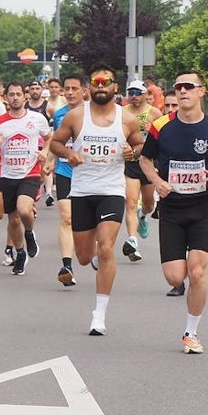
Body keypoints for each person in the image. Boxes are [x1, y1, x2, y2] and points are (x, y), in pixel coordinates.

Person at [49, 66, 143, 335]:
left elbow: (139, 144)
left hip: (112, 190)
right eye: (96, 82)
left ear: (116, 87)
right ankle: (91, 260)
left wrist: (131, 152)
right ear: (89, 88)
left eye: (107, 82)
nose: (101, 86)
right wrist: (68, 153)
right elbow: (56, 143)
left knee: (105, 250)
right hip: (82, 191)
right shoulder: (76, 116)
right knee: (83, 256)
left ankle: (99, 314)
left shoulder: (126, 119)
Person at [139, 71, 208, 352]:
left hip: (204, 207)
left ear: (201, 92)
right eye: (178, 87)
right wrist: (157, 181)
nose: (182, 91)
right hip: (172, 210)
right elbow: (145, 159)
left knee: (197, 272)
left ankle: (191, 333)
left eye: (188, 87)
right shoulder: (161, 126)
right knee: (175, 277)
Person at [0, 81, 51, 275]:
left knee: (24, 210)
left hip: (29, 172)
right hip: (7, 175)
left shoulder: (37, 118)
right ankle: (20, 253)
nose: (15, 97)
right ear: (6, 98)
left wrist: (45, 152)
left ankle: (30, 234)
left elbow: (49, 138)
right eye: (11, 94)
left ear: (25, 97)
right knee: (13, 221)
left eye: (18, 94)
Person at [50, 75, 87, 286]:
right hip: (65, 171)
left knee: (89, 222)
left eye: (75, 88)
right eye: (67, 89)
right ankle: (67, 266)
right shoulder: (59, 115)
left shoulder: (94, 114)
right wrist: (49, 160)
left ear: (84, 91)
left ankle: (94, 249)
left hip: (90, 174)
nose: (70, 92)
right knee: (67, 218)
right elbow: (56, 142)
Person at [122, 80, 161, 262]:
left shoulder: (154, 113)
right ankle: (132, 241)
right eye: (131, 93)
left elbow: (163, 139)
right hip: (130, 163)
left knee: (148, 204)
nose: (134, 96)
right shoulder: (123, 112)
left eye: (138, 92)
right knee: (130, 202)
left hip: (147, 163)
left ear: (146, 94)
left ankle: (143, 216)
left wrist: (152, 130)